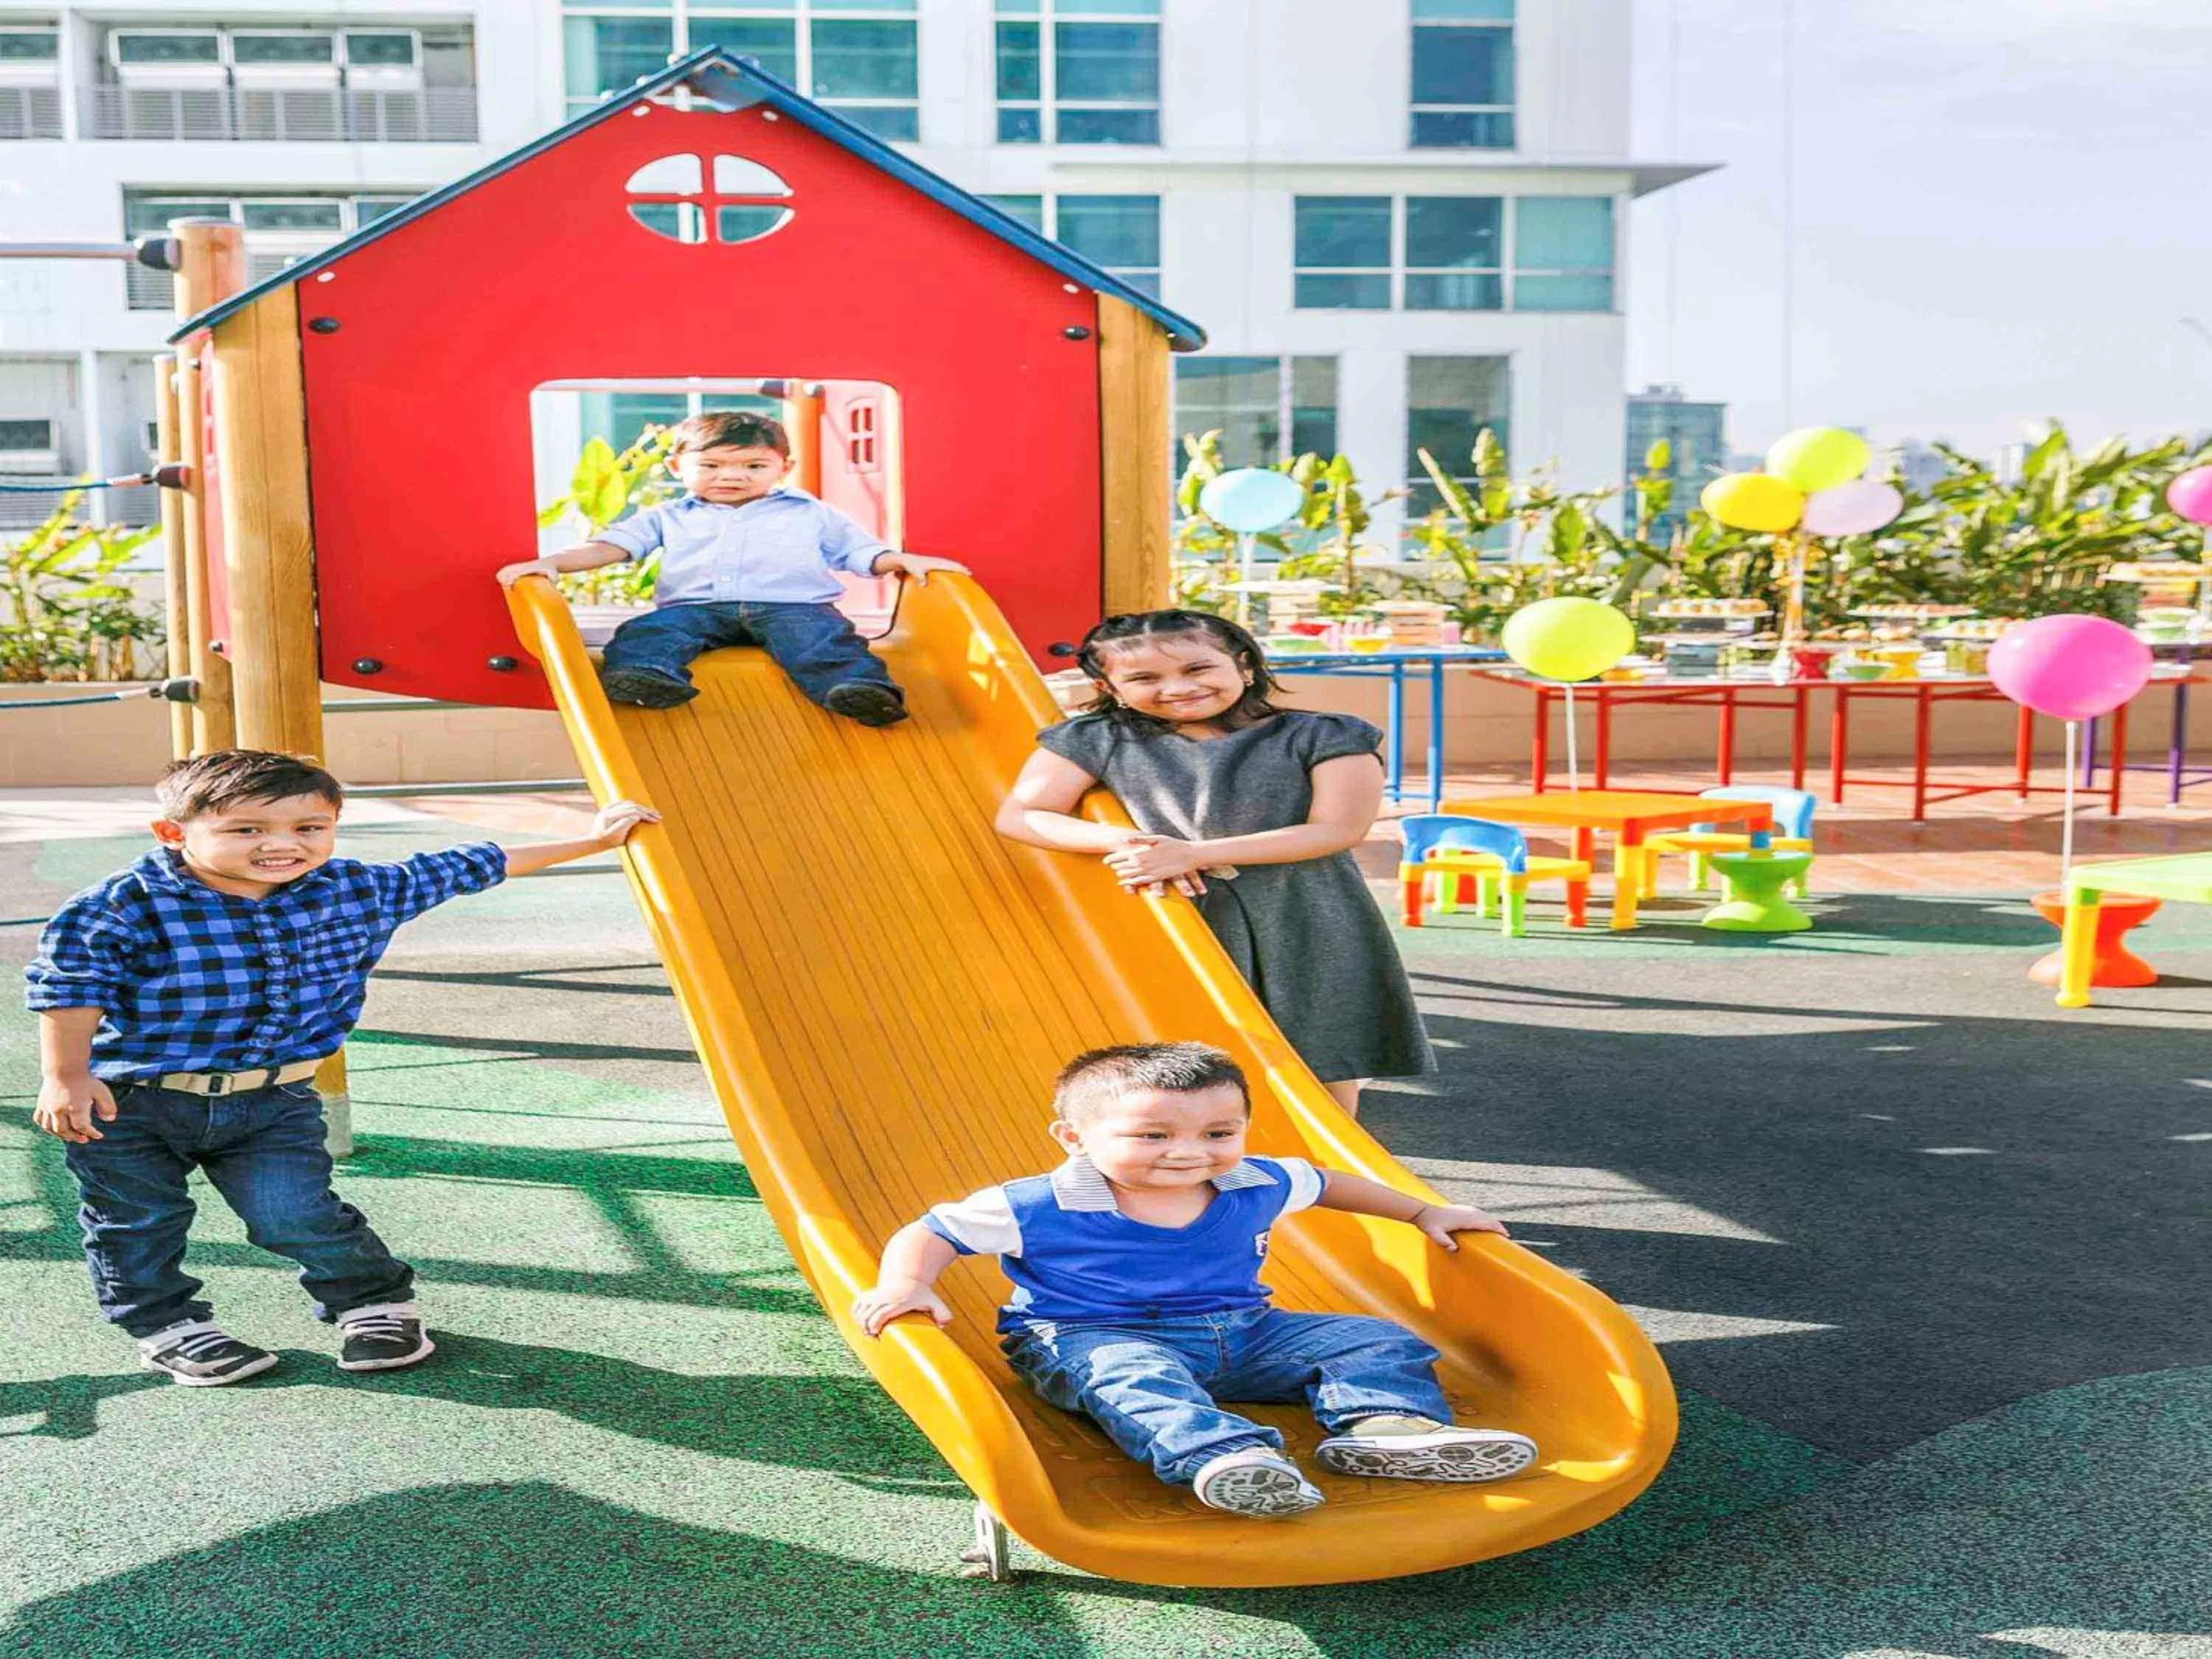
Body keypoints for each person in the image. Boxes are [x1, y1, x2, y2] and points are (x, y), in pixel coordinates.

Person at [24, 748, 657, 1387]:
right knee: (137, 1220)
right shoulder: (120, 906)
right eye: (246, 830)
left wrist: (595, 839)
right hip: (133, 1101)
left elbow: (475, 864)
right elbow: (71, 988)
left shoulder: (355, 890)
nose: (281, 846)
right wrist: (66, 1076)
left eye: (308, 828)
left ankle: (373, 1302)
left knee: (294, 1210)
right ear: (173, 833)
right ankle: (169, 1328)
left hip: (272, 1098)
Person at [853, 1043, 1537, 1517]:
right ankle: (1226, 1460)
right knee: (1133, 1376)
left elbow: (1326, 1182)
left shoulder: (1252, 1179)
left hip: (1243, 1335)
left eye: (1218, 1131)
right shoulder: (1039, 1202)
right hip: (1087, 1337)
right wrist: (909, 1283)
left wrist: (1422, 1209)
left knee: (1371, 1339)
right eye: (1151, 1137)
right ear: (1072, 1137)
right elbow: (933, 1230)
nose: (1189, 1152)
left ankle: (1388, 1431)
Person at [995, 609, 1433, 1117]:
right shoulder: (1097, 738)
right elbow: (1024, 814)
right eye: (1143, 678)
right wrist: (1131, 841)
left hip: (1304, 913)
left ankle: (1334, 1155)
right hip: (1181, 916)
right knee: (1174, 1050)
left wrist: (1198, 853)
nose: (1176, 688)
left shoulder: (1325, 735)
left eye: (1197, 669)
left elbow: (1337, 829)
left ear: (1244, 667)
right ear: (1111, 687)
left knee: (1323, 1045)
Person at [495, 409, 966, 724]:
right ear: (678, 467)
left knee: (823, 643)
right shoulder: (668, 516)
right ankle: (647, 677)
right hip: (698, 608)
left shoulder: (809, 511)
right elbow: (613, 547)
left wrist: (900, 560)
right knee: (650, 634)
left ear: (784, 467)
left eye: (754, 466)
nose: (732, 476)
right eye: (713, 465)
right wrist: (553, 563)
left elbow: (860, 552)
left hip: (792, 606)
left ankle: (857, 690)